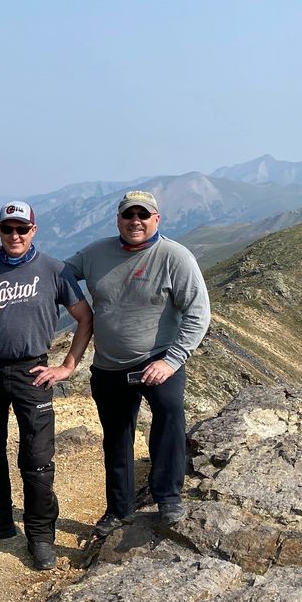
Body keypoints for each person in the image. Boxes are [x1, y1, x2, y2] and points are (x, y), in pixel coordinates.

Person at [0, 201, 93, 571]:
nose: (14, 236)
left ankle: (40, 535)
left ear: (34, 230)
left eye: (22, 229)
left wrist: (67, 366)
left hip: (32, 371)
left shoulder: (54, 270)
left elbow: (84, 318)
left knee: (36, 459)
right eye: (7, 229)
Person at [67, 190, 211, 536]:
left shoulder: (175, 256)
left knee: (169, 415)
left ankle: (168, 497)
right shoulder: (95, 253)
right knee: (117, 438)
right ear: (118, 219)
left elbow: (198, 312)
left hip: (158, 359)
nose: (136, 221)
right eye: (128, 215)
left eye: (143, 215)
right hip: (109, 365)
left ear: (156, 219)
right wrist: (13, 255)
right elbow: (57, 274)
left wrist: (172, 360)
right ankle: (118, 509)